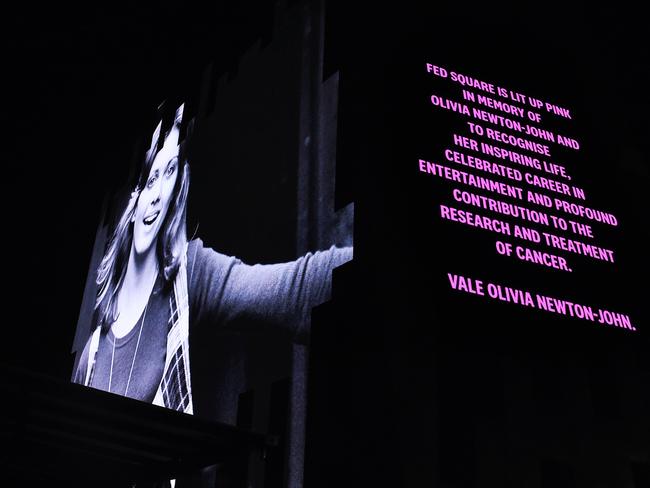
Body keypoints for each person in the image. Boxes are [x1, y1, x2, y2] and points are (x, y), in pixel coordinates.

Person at [73, 104, 353, 414]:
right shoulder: (91, 355)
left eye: (170, 174)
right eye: (151, 180)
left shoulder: (190, 273)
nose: (158, 194)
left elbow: (295, 291)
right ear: (134, 195)